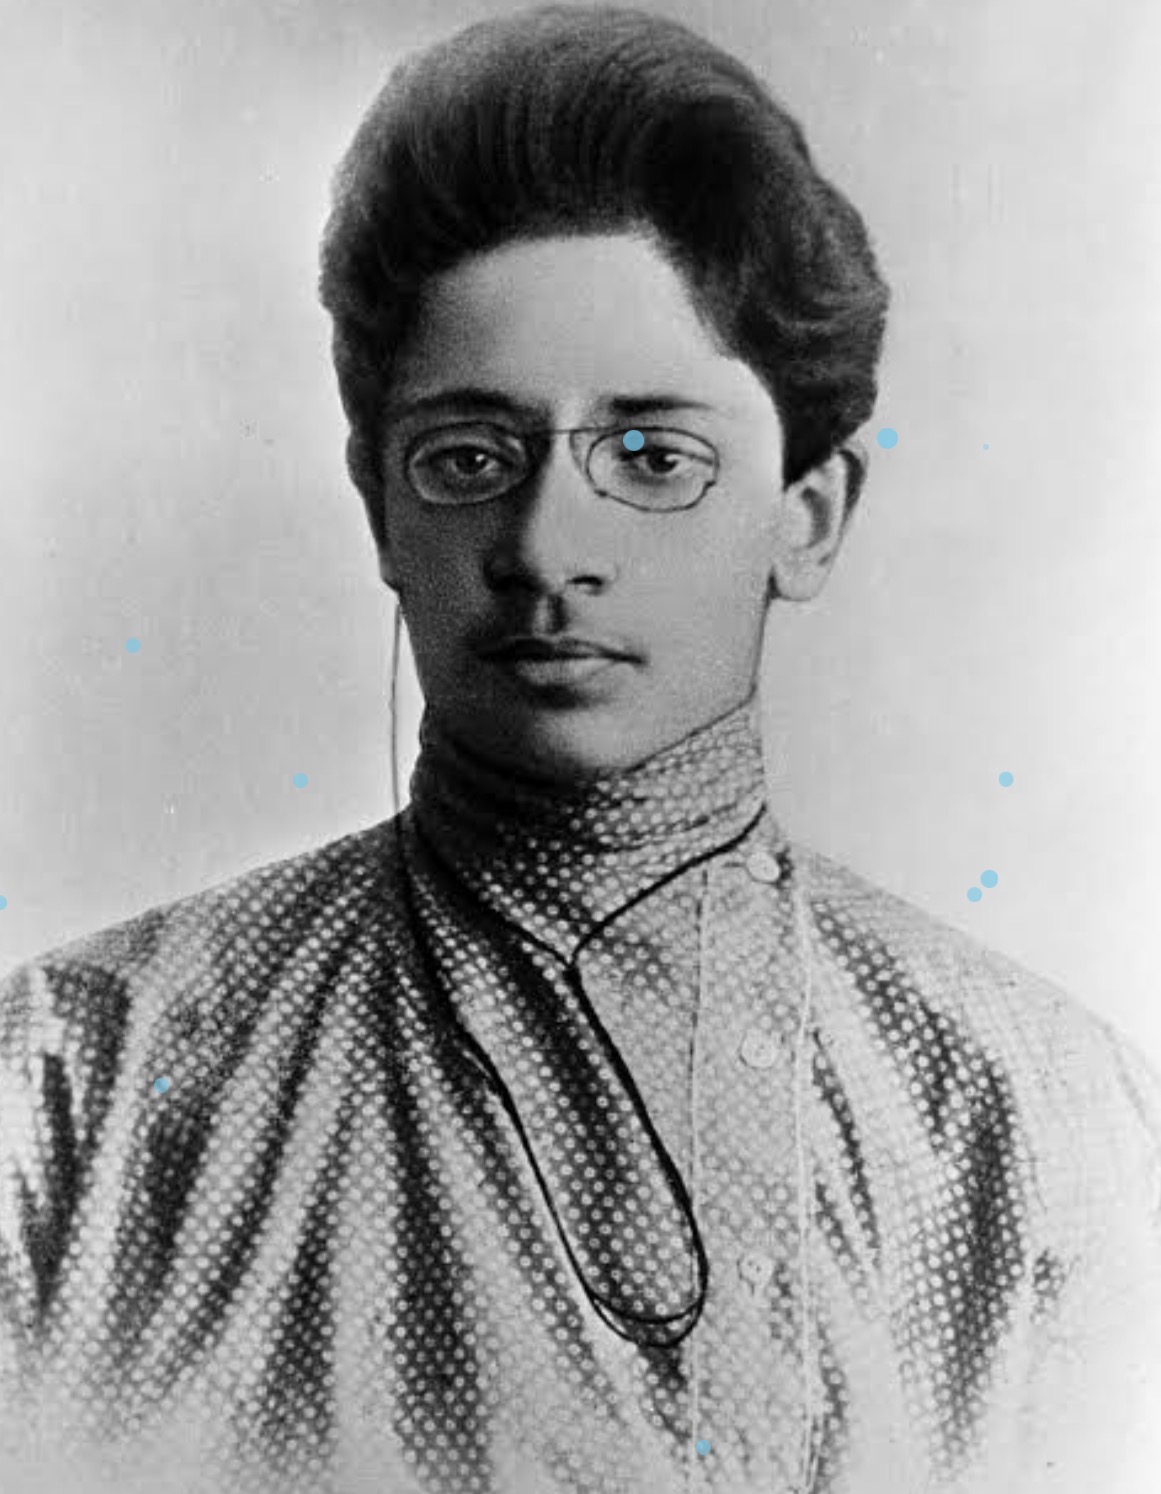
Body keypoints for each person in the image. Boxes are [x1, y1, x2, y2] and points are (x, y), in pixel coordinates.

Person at [2, 6, 1159, 1493]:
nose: (549, 548)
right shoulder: (75, 1088)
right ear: (380, 509)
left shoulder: (1039, 1123)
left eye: (654, 457)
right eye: (468, 458)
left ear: (806, 517)